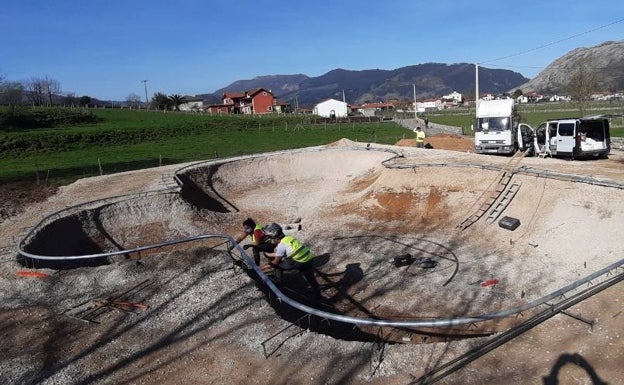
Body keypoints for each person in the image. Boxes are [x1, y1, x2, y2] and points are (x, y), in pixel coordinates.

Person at [261, 223, 322, 299]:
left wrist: (260, 268)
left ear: (274, 236)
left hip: (300, 262)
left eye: (269, 237)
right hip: (309, 259)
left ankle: (278, 285)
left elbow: (275, 263)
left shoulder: (281, 245)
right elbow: (282, 253)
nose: (269, 239)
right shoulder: (289, 238)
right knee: (311, 278)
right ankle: (318, 297)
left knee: (278, 267)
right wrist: (269, 255)